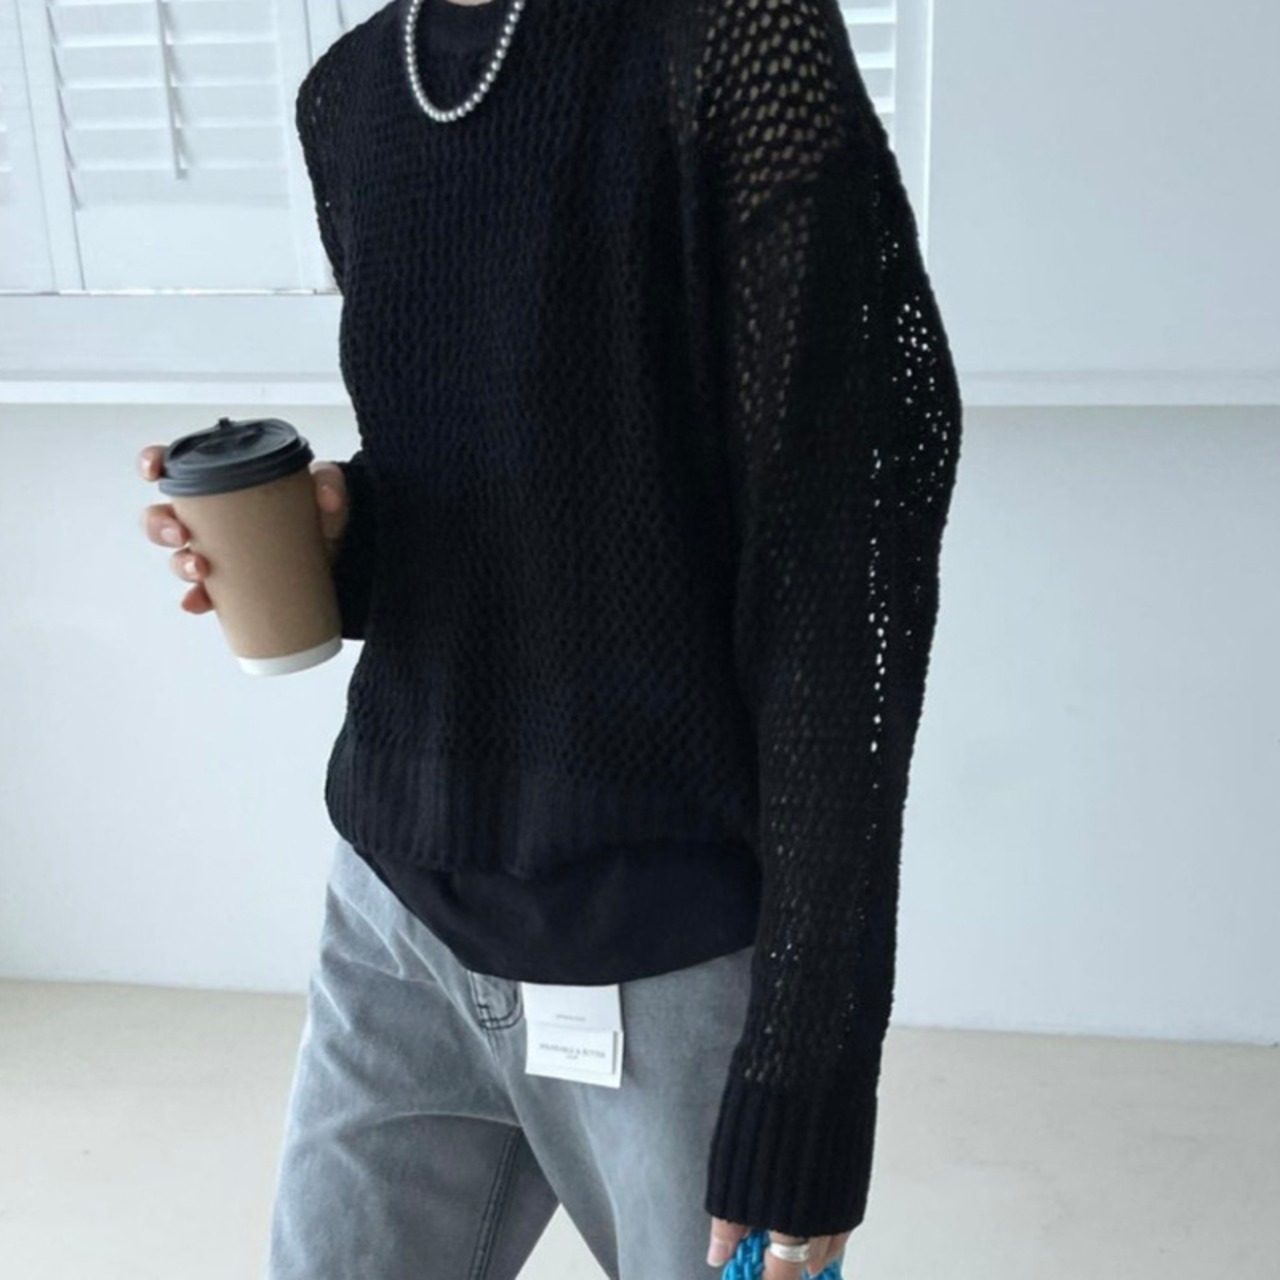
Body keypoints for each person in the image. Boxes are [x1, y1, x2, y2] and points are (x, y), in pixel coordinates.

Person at [138, 0, 962, 1275]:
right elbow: (540, 489)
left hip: (663, 940)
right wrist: (344, 542)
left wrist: (807, 1070)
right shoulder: (351, 97)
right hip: (396, 913)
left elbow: (840, 583)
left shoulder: (728, 42)